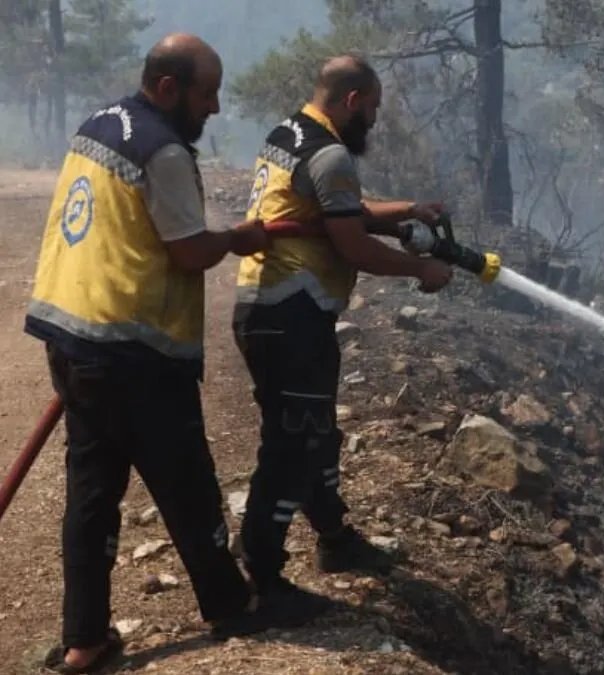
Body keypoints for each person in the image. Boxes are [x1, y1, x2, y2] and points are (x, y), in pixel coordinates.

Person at [24, 33, 319, 673]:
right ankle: (230, 605)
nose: (213, 106)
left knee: (92, 492)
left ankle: (84, 641)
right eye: (206, 92)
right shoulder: (162, 151)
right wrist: (238, 238)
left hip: (73, 337)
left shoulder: (98, 123)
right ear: (167, 87)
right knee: (187, 484)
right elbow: (189, 250)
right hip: (135, 352)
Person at [232, 54, 453, 601]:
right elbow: (351, 243)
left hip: (274, 310)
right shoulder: (331, 154)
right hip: (291, 314)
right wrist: (421, 268)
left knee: (316, 433)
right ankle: (259, 575)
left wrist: (410, 209)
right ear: (352, 100)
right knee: (292, 443)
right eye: (372, 109)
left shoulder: (291, 131)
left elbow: (337, 212)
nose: (374, 122)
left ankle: (334, 538)